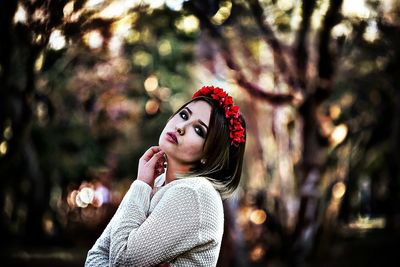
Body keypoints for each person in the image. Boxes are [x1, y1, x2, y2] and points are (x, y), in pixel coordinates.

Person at [85, 86, 246, 267]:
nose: (181, 127)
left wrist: (140, 185)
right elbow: (95, 256)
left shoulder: (195, 193)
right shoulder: (157, 182)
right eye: (184, 115)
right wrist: (144, 185)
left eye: (199, 130)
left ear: (209, 155)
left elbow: (122, 261)